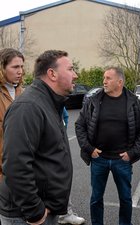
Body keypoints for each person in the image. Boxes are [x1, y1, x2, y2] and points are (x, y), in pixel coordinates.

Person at [0, 50, 77, 225]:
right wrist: (34, 211)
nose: (75, 75)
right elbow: (15, 164)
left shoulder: (49, 102)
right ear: (52, 74)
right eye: (71, 69)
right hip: (26, 216)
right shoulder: (29, 106)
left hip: (45, 208)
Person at [75, 67, 140, 225]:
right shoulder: (93, 101)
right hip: (99, 159)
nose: (104, 81)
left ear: (120, 82)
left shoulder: (133, 102)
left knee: (125, 198)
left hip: (122, 161)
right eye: (104, 77)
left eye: (108, 78)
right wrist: (89, 148)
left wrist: (132, 153)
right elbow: (79, 125)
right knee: (96, 198)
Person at [58, 107, 86, 225]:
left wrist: (61, 133)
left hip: (56, 144)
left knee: (62, 177)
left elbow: (65, 116)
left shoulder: (56, 99)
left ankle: (65, 213)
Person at [0, 48, 24, 182]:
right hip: (3, 170)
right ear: (2, 68)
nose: (20, 71)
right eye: (15, 67)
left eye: (21, 66)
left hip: (22, 168)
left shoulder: (24, 92)